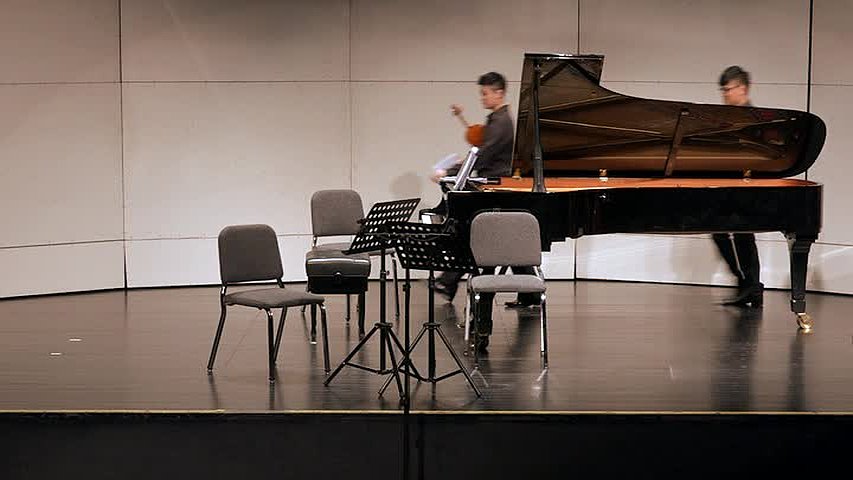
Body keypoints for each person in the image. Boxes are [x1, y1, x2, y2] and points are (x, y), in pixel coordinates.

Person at [431, 71, 539, 351]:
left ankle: (456, 290)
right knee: (507, 244)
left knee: (474, 237)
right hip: (494, 188)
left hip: (495, 191)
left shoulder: (502, 122)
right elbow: (481, 151)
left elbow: (483, 155)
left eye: (486, 93)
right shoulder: (498, 120)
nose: (482, 97)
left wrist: (448, 172)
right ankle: (527, 297)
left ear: (499, 93)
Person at [712, 65, 763, 308]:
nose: (724, 94)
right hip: (728, 185)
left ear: (742, 88)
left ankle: (751, 286)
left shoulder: (755, 119)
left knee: (744, 236)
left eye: (728, 89)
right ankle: (746, 284)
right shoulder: (724, 120)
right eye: (722, 90)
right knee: (719, 232)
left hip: (748, 187)